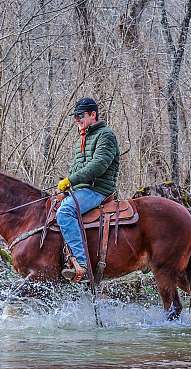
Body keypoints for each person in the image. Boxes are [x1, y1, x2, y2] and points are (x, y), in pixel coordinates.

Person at [56, 97, 120, 282]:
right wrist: (67, 187)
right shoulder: (82, 139)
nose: (77, 120)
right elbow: (77, 168)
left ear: (93, 114)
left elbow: (98, 165)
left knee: (65, 213)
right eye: (75, 117)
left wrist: (71, 180)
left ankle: (82, 266)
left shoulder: (106, 135)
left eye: (80, 116)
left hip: (97, 190)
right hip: (81, 189)